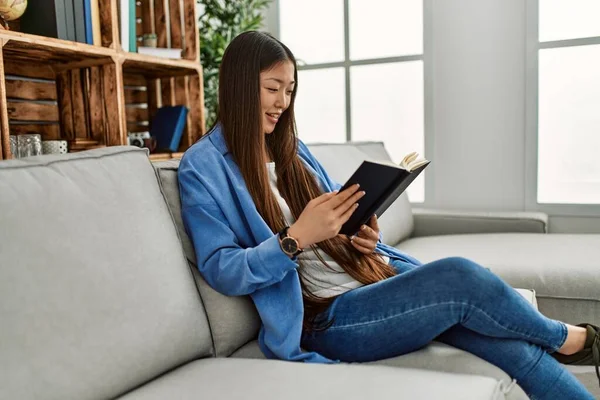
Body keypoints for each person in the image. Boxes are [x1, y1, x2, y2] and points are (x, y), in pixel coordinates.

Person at [178, 31, 599, 399]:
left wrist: (361, 237)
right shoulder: (203, 166)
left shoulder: (293, 149)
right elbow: (221, 269)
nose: (283, 104)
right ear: (238, 86)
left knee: (514, 351)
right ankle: (572, 339)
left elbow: (334, 221)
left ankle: (573, 346)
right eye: (273, 89)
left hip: (371, 279)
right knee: (460, 276)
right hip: (327, 318)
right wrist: (293, 239)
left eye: (289, 91)